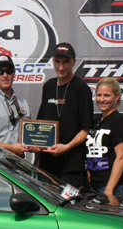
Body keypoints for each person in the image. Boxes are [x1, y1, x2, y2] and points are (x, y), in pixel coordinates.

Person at [37, 42, 92, 188]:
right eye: (57, 62)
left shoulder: (82, 89)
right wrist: (36, 144)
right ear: (52, 61)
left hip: (71, 165)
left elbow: (85, 129)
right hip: (47, 163)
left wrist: (66, 147)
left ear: (73, 62)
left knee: (70, 201)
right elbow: (40, 123)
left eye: (66, 62)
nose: (61, 67)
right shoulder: (48, 86)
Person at [85, 77, 123, 206]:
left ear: (116, 97)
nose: (102, 99)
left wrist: (109, 190)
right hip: (95, 186)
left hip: (116, 188)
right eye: (99, 95)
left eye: (107, 95)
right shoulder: (95, 121)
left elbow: (122, 158)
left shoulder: (119, 122)